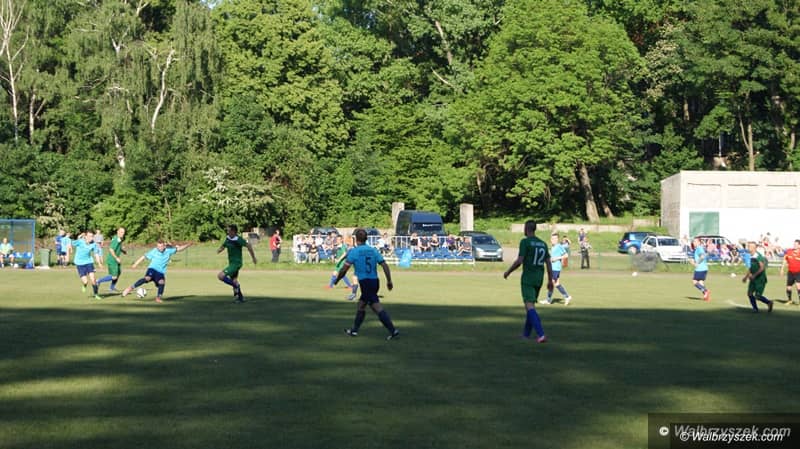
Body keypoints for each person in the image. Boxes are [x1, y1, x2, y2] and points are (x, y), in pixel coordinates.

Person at [335, 228, 399, 340]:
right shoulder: (373, 250)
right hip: (374, 281)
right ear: (366, 239)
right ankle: (354, 331)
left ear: (356, 239)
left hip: (365, 282)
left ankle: (393, 330)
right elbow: (384, 265)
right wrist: (389, 281)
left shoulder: (354, 252)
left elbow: (344, 269)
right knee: (361, 305)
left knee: (376, 307)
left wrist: (337, 280)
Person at [503, 220, 553, 343]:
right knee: (530, 306)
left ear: (526, 228)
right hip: (539, 278)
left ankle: (541, 334)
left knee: (529, 306)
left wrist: (508, 271)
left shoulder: (525, 242)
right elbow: (548, 263)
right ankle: (525, 335)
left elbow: (519, 261)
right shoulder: (543, 244)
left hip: (528, 278)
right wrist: (550, 280)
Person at [122, 239, 192, 303]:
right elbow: (144, 256)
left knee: (161, 282)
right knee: (147, 278)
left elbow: (179, 249)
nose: (160, 248)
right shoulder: (154, 251)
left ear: (164, 246)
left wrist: (188, 245)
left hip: (160, 272)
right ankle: (130, 288)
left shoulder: (168, 251)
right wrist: (135, 264)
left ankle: (158, 297)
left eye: (161, 246)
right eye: (158, 246)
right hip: (152, 269)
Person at [217, 224, 257, 303]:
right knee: (234, 280)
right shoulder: (228, 239)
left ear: (233, 231)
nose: (227, 232)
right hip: (231, 263)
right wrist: (219, 250)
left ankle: (236, 286)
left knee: (220, 276)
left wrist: (253, 258)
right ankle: (240, 298)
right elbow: (224, 245)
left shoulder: (238, 239)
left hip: (236, 263)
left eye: (229, 231)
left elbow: (249, 246)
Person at [743, 241, 773, 312]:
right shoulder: (750, 256)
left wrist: (754, 275)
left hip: (760, 279)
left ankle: (769, 302)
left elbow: (762, 268)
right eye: (748, 246)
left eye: (750, 247)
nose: (749, 248)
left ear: (755, 248)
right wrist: (746, 277)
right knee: (749, 293)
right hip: (753, 278)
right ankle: (755, 308)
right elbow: (750, 268)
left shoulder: (758, 256)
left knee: (757, 296)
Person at [72, 231, 103, 300]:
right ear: (85, 236)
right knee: (85, 281)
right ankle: (84, 285)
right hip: (80, 263)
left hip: (89, 262)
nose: (90, 238)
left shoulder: (94, 244)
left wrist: (99, 263)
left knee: (93, 279)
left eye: (92, 236)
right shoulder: (80, 241)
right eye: (89, 236)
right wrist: (79, 237)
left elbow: (96, 254)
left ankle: (96, 294)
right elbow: (72, 243)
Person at [328, 235, 358, 300]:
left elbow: (345, 254)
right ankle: (349, 285)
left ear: (341, 240)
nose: (337, 240)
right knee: (339, 274)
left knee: (336, 273)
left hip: (342, 262)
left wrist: (339, 259)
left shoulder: (343, 246)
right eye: (337, 239)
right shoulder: (338, 246)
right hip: (339, 262)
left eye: (339, 239)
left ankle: (331, 286)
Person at [545, 233, 572, 305]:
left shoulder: (559, 246)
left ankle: (548, 300)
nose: (553, 240)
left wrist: (556, 258)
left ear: (557, 239)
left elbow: (566, 255)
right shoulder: (553, 247)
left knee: (551, 283)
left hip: (556, 268)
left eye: (555, 238)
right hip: (553, 268)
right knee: (557, 284)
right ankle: (567, 297)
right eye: (552, 238)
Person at [97, 227, 127, 292]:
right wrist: (116, 258)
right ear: (117, 231)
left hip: (116, 260)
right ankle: (98, 281)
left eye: (123, 232)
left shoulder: (119, 239)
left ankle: (111, 288)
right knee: (114, 276)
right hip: (112, 260)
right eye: (121, 232)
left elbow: (118, 247)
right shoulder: (116, 239)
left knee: (118, 273)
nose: (122, 233)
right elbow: (111, 249)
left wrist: (123, 251)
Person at [690, 237, 711, 301]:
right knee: (701, 282)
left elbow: (702, 256)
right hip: (704, 268)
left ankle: (705, 291)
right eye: (693, 241)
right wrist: (693, 262)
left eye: (695, 241)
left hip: (700, 268)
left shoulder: (699, 248)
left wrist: (697, 263)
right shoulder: (699, 248)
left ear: (699, 242)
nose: (694, 243)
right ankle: (706, 296)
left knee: (694, 282)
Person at [780, 239, 800, 306]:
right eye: (794, 244)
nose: (794, 245)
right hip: (790, 272)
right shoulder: (789, 251)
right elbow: (785, 260)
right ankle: (789, 300)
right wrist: (782, 269)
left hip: (798, 272)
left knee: (798, 286)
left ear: (799, 245)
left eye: (796, 244)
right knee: (788, 287)